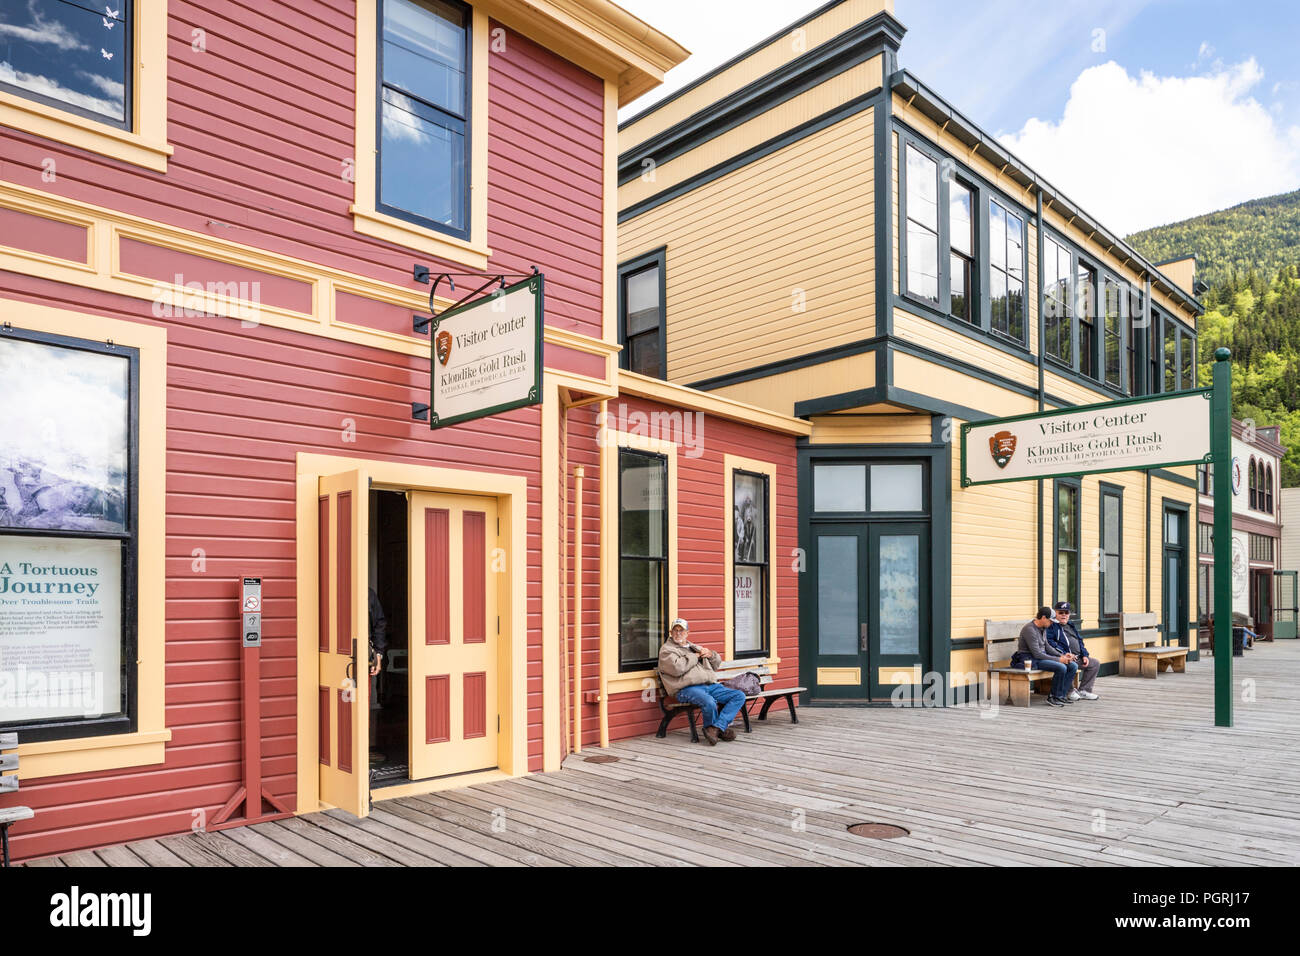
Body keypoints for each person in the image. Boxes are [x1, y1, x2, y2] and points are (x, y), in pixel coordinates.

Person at [657, 618, 745, 746]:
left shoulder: (693, 647)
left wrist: (710, 654)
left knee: (738, 696)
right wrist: (696, 656)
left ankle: (716, 728)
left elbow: (716, 665)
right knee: (709, 702)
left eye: (681, 630)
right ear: (671, 632)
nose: (678, 633)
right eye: (675, 630)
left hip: (709, 686)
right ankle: (717, 729)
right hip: (686, 689)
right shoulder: (667, 650)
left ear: (688, 632)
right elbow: (677, 668)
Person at [1018, 606, 1075, 707]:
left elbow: (1047, 646)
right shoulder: (1030, 629)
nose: (1052, 623)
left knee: (1073, 666)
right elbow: (1037, 654)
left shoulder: (1043, 628)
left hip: (1041, 657)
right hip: (1030, 659)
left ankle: (1061, 696)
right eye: (1051, 621)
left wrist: (1062, 655)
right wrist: (1059, 660)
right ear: (1043, 618)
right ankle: (1053, 697)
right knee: (1061, 667)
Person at [1046, 601, 1099, 700]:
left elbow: (1079, 641)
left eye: (1066, 613)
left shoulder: (1070, 625)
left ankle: (1084, 690)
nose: (1064, 615)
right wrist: (1065, 654)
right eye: (1060, 613)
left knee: (1095, 663)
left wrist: (1085, 655)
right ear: (1055, 613)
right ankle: (1069, 691)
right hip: (1063, 657)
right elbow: (1050, 643)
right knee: (1068, 665)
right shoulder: (1052, 626)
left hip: (1078, 657)